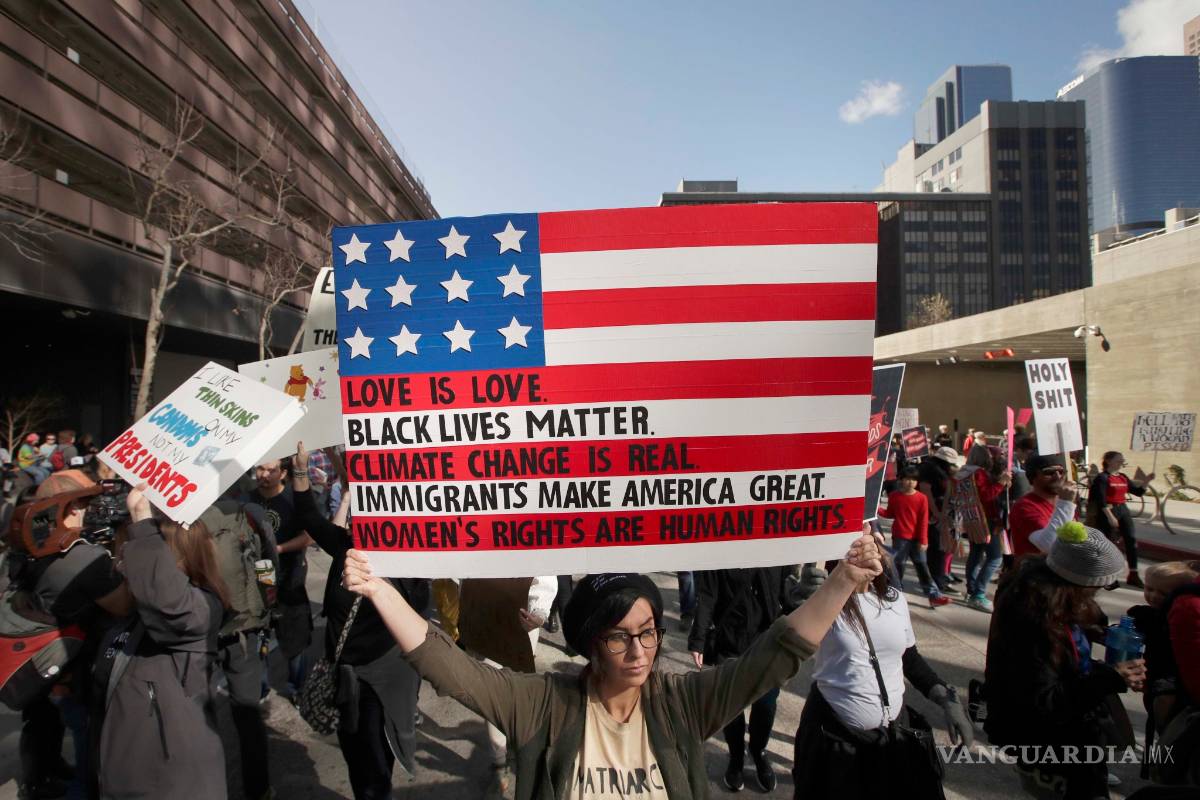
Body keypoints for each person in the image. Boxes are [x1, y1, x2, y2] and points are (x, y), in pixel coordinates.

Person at [341, 529, 884, 798]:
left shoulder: (682, 703)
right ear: (591, 644)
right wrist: (379, 590)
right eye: (619, 638)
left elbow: (773, 657)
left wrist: (843, 580)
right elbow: (449, 669)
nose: (639, 652)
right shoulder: (542, 703)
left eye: (648, 634)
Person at [291, 445, 427, 800]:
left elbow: (420, 615)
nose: (361, 521)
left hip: (383, 680)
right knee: (359, 762)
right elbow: (309, 516)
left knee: (376, 769)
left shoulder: (406, 561)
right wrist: (302, 470)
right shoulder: (344, 545)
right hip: (345, 677)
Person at [792, 542, 972, 799]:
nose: (867, 543)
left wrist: (946, 699)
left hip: (893, 742)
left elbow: (909, 659)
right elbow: (790, 642)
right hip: (835, 743)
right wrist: (796, 602)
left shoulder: (894, 600)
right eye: (858, 539)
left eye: (871, 537)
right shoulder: (823, 602)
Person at [984, 521, 1145, 798]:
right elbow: (1045, 700)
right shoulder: (1034, 622)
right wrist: (1111, 677)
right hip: (1053, 746)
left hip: (1064, 740)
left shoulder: (1041, 597)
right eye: (1098, 587)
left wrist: (1092, 631)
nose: (1096, 595)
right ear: (1075, 585)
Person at [8, 470, 134, 800]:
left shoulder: (31, 547)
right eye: (85, 504)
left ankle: (41, 778)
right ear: (68, 508)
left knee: (42, 725)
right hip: (76, 667)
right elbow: (123, 606)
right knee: (89, 743)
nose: (91, 510)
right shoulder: (83, 558)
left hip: (43, 663)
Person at [99, 483, 229, 799]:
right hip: (128, 774)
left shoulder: (201, 609)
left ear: (173, 557)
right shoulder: (133, 611)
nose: (123, 558)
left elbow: (170, 602)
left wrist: (142, 522)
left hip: (171, 781)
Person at [687, 567, 794, 791]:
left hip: (768, 641)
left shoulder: (775, 546)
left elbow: (786, 593)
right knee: (731, 708)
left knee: (765, 705)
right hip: (730, 639)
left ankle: (758, 751)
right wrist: (698, 638)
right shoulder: (720, 547)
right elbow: (707, 595)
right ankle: (736, 757)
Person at [201, 495, 278, 800]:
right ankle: (258, 789)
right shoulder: (250, 512)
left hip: (199, 630)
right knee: (247, 715)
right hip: (245, 627)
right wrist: (267, 605)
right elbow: (268, 563)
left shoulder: (174, 517)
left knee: (198, 716)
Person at [458, 574, 557, 797]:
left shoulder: (531, 540)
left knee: (520, 695)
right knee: (492, 700)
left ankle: (517, 752)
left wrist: (538, 613)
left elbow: (544, 572)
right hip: (481, 623)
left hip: (518, 627)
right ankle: (500, 763)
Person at [1125, 562, 1200, 770]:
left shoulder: (1177, 613)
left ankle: (1168, 756)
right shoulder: (1145, 614)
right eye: (1149, 589)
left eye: (1163, 593)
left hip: (1173, 683)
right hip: (1155, 676)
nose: (1154, 596)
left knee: (1169, 721)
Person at [248, 458, 312, 696]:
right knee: (259, 639)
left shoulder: (295, 499)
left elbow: (310, 535)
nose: (265, 474)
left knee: (294, 640)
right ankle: (261, 688)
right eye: (260, 468)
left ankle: (296, 687)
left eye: (271, 469)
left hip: (289, 579)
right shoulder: (247, 499)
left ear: (283, 472)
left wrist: (279, 549)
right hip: (257, 580)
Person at [880, 466, 950, 608]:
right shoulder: (895, 496)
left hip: (917, 539)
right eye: (907, 479)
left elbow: (923, 520)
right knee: (898, 566)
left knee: (922, 567)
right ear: (901, 480)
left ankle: (933, 595)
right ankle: (895, 593)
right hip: (900, 538)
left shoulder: (921, 498)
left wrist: (924, 540)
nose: (911, 482)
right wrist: (876, 509)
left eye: (914, 480)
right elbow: (890, 514)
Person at [1088, 451, 1152, 589]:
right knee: (1109, 544)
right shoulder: (1102, 478)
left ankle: (1133, 574)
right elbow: (1101, 499)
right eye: (1118, 460)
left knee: (1131, 540)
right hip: (1108, 511)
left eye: (1122, 460)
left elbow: (1138, 492)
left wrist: (1146, 481)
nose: (1122, 462)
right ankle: (1108, 577)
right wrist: (1110, 516)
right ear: (1109, 461)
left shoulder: (1122, 477)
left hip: (1123, 509)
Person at [961, 444, 1011, 612]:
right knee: (995, 557)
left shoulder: (964, 472)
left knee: (975, 554)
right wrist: (1001, 483)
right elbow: (987, 495)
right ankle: (978, 594)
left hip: (972, 518)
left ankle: (971, 590)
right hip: (985, 518)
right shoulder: (978, 473)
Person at [1009, 454, 1078, 559]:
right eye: (1049, 472)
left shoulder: (1063, 503)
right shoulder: (1024, 506)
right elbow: (1049, 546)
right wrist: (1066, 503)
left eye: (1061, 471)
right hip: (1036, 572)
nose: (1058, 476)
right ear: (1033, 477)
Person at [918, 447, 960, 595]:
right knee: (937, 550)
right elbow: (926, 491)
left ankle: (937, 579)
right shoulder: (930, 469)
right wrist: (936, 512)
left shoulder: (932, 467)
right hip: (933, 516)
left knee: (938, 549)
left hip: (937, 513)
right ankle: (937, 581)